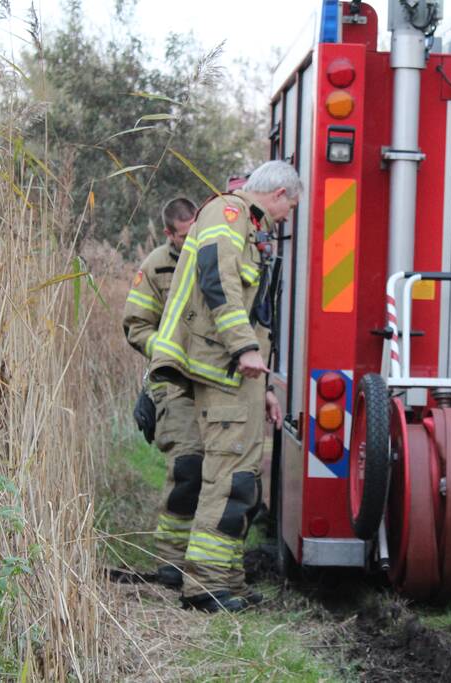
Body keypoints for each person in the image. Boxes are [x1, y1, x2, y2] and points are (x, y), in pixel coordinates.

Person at [149, 160, 301, 613]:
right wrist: (243, 348)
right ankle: (206, 587)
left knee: (243, 478)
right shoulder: (230, 215)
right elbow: (218, 280)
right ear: (278, 194)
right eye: (291, 206)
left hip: (234, 373)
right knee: (228, 476)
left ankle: (226, 578)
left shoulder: (245, 226)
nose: (288, 216)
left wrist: (264, 387)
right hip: (223, 368)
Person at [122, 197, 205, 589]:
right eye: (183, 236)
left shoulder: (213, 253)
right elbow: (136, 326)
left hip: (218, 381)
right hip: (174, 382)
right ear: (169, 233)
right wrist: (167, 349)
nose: (190, 243)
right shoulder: (155, 266)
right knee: (188, 467)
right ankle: (171, 558)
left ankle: (209, 559)